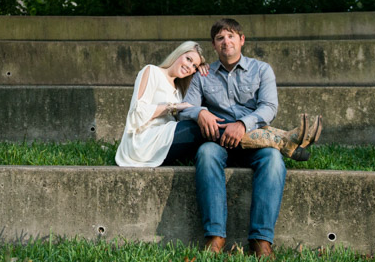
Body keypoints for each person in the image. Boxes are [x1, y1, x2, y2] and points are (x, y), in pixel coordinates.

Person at [177, 18, 318, 259]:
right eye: (220, 38)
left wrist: (243, 124)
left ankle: (261, 241)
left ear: (242, 40)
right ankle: (215, 237)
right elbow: (184, 108)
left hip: (255, 141)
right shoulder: (204, 75)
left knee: (273, 160)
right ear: (214, 44)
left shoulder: (262, 69)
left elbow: (269, 107)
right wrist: (200, 112)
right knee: (206, 153)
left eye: (231, 36)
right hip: (218, 142)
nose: (226, 41)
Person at [115, 40, 320, 169]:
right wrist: (174, 107)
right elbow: (137, 113)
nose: (189, 66)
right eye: (187, 59)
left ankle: (282, 138)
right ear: (178, 54)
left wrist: (204, 73)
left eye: (194, 65)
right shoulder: (151, 71)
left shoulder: (179, 89)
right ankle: (281, 140)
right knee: (202, 122)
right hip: (143, 143)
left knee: (205, 119)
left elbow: (187, 109)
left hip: (168, 141)